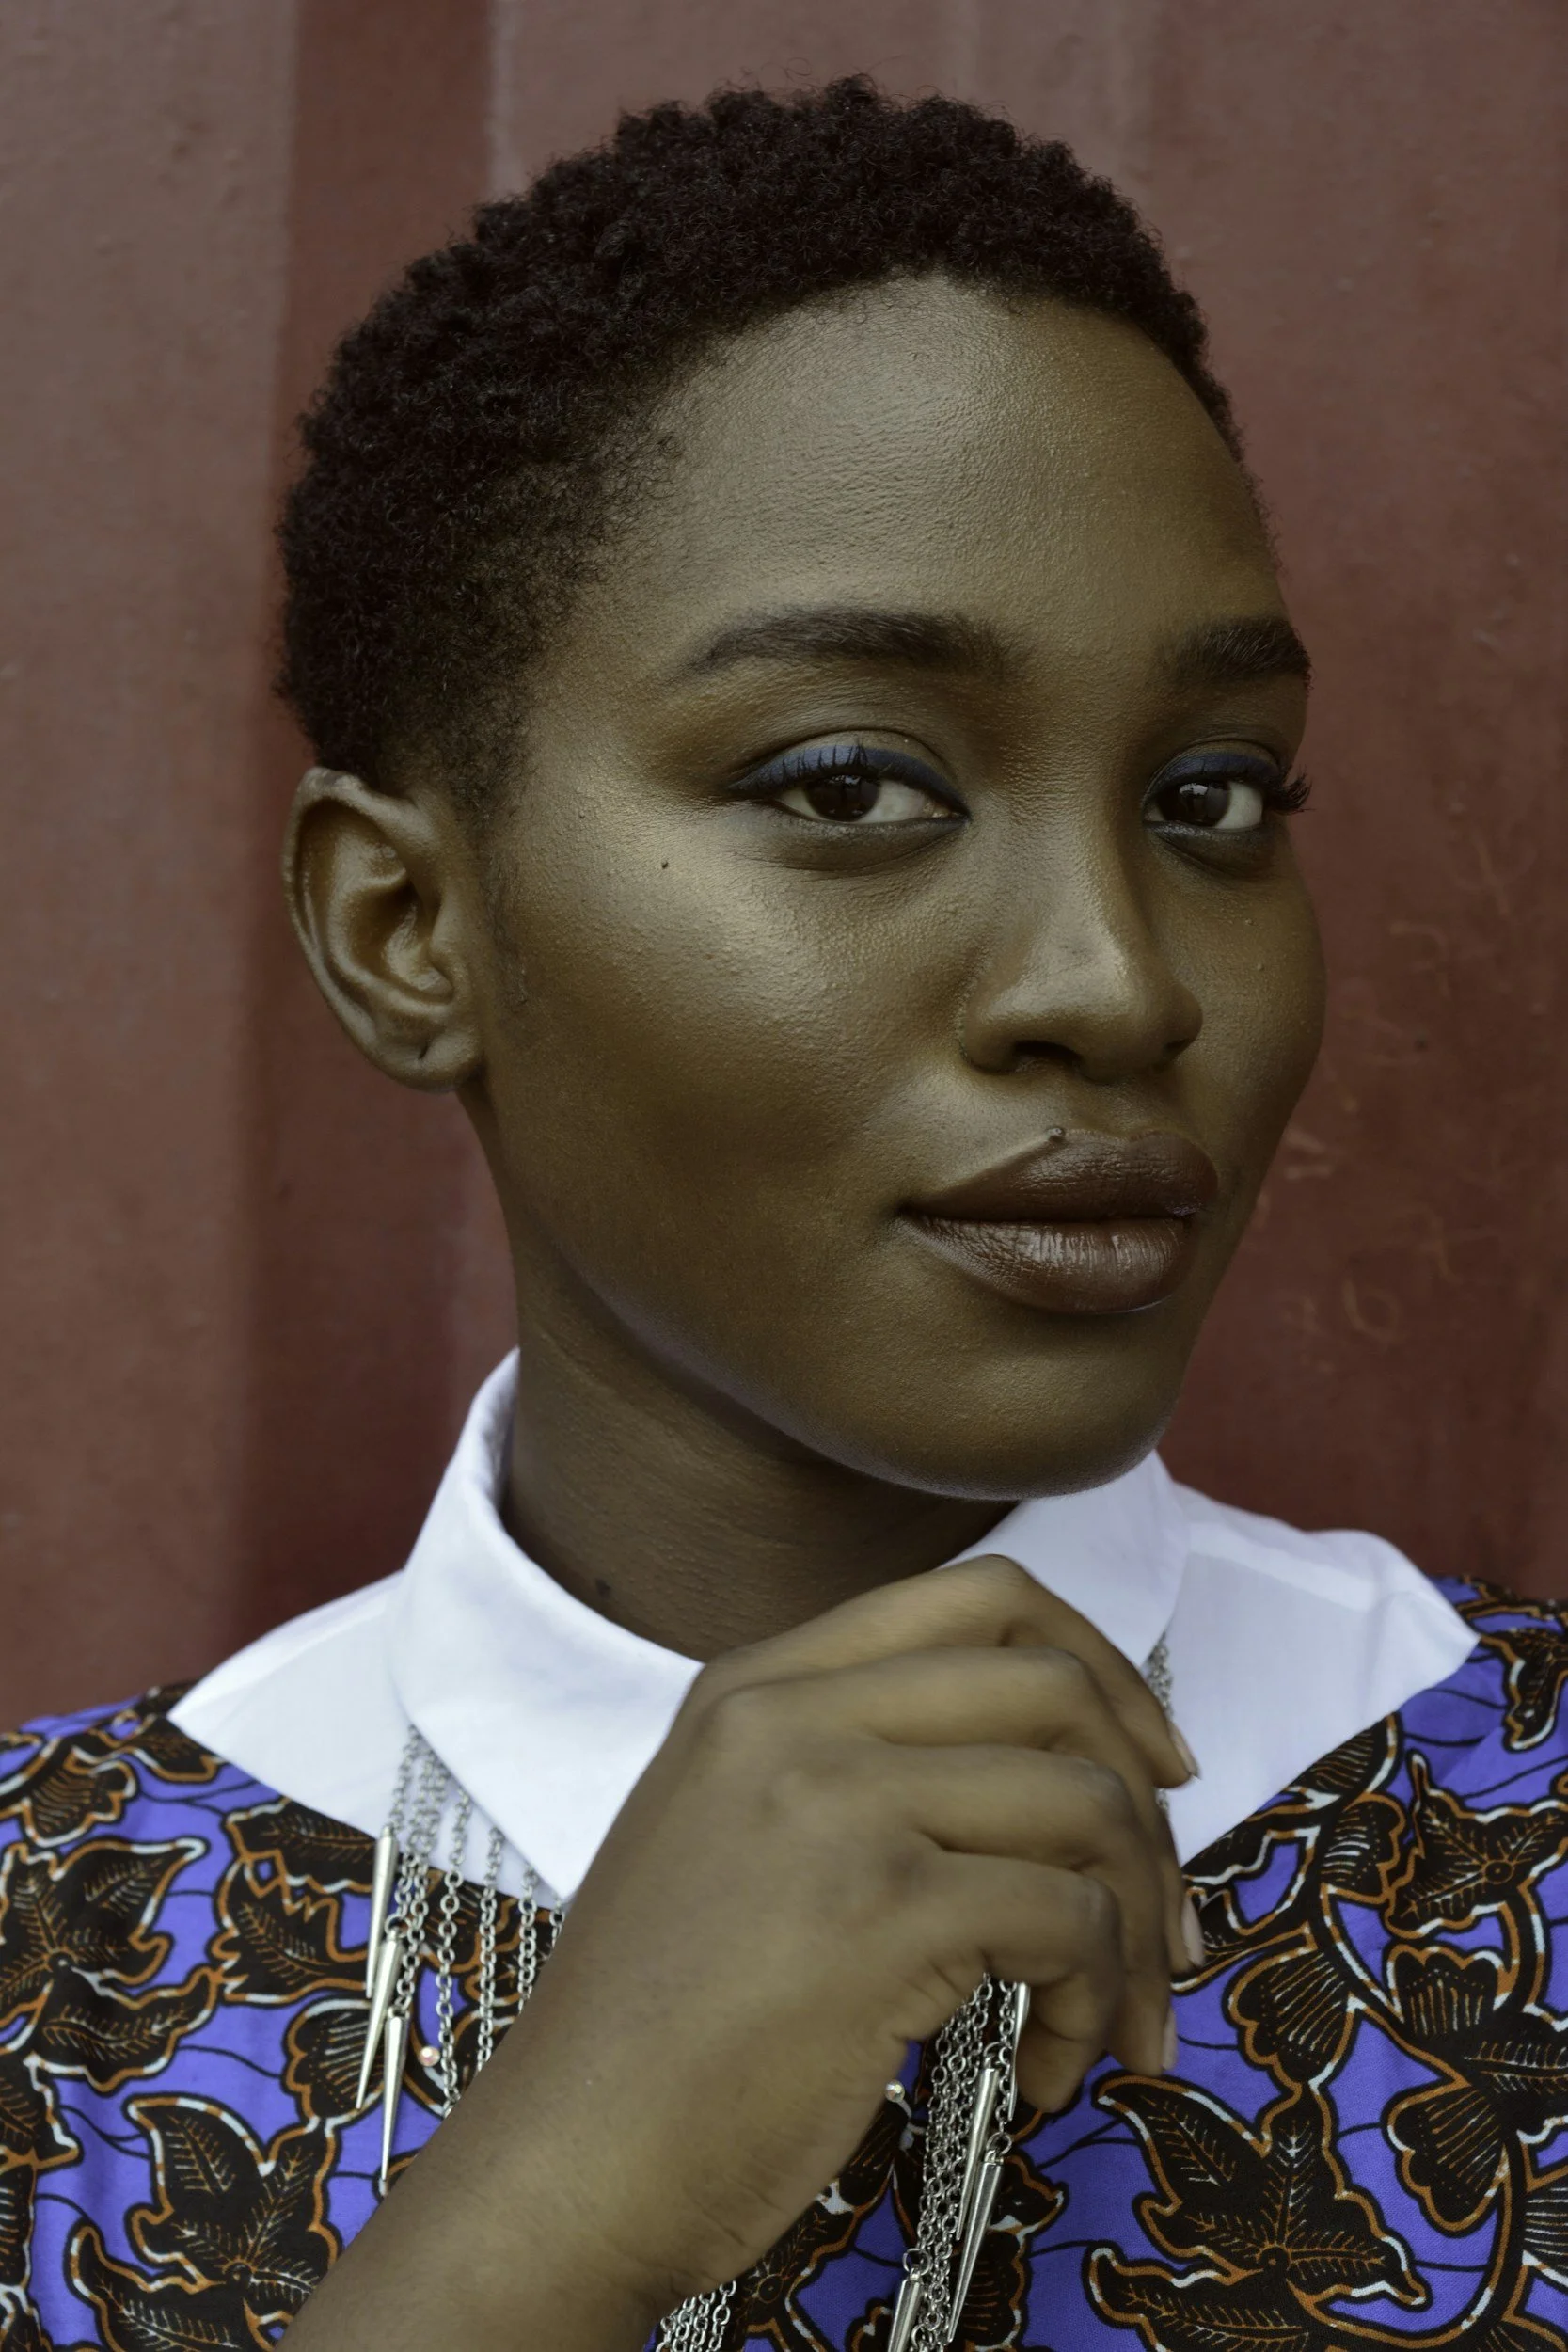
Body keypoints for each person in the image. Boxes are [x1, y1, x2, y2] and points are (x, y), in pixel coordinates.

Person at [4, 77, 1564, 2352]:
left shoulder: (1511, 1820)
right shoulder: (52, 1952)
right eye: (851, 785)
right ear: (406, 929)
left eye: (1208, 795)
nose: (1114, 982)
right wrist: (540, 2223)